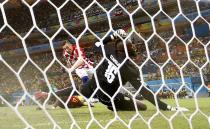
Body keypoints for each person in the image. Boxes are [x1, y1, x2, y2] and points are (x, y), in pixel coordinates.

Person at [36, 29, 188, 111]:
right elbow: (145, 92)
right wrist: (168, 107)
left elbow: (96, 44)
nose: (134, 46)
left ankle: (52, 97)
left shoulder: (109, 51)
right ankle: (63, 102)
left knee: (76, 89)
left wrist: (113, 35)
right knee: (142, 107)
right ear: (128, 50)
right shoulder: (130, 69)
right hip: (111, 100)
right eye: (132, 45)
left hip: (92, 88)